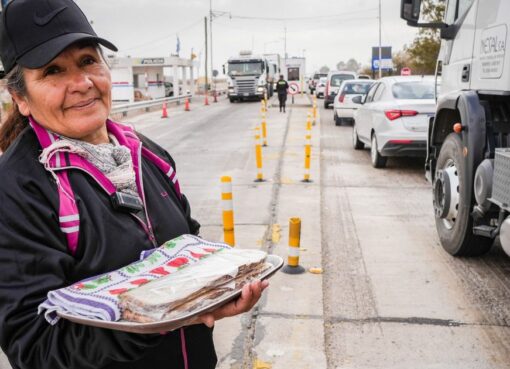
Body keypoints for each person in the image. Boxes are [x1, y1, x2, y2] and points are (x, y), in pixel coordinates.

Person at [0, 1, 268, 369]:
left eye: (88, 60)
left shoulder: (145, 153)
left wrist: (213, 293)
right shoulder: (18, 188)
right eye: (53, 71)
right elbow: (34, 347)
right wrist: (150, 320)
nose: (82, 83)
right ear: (20, 98)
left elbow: (188, 246)